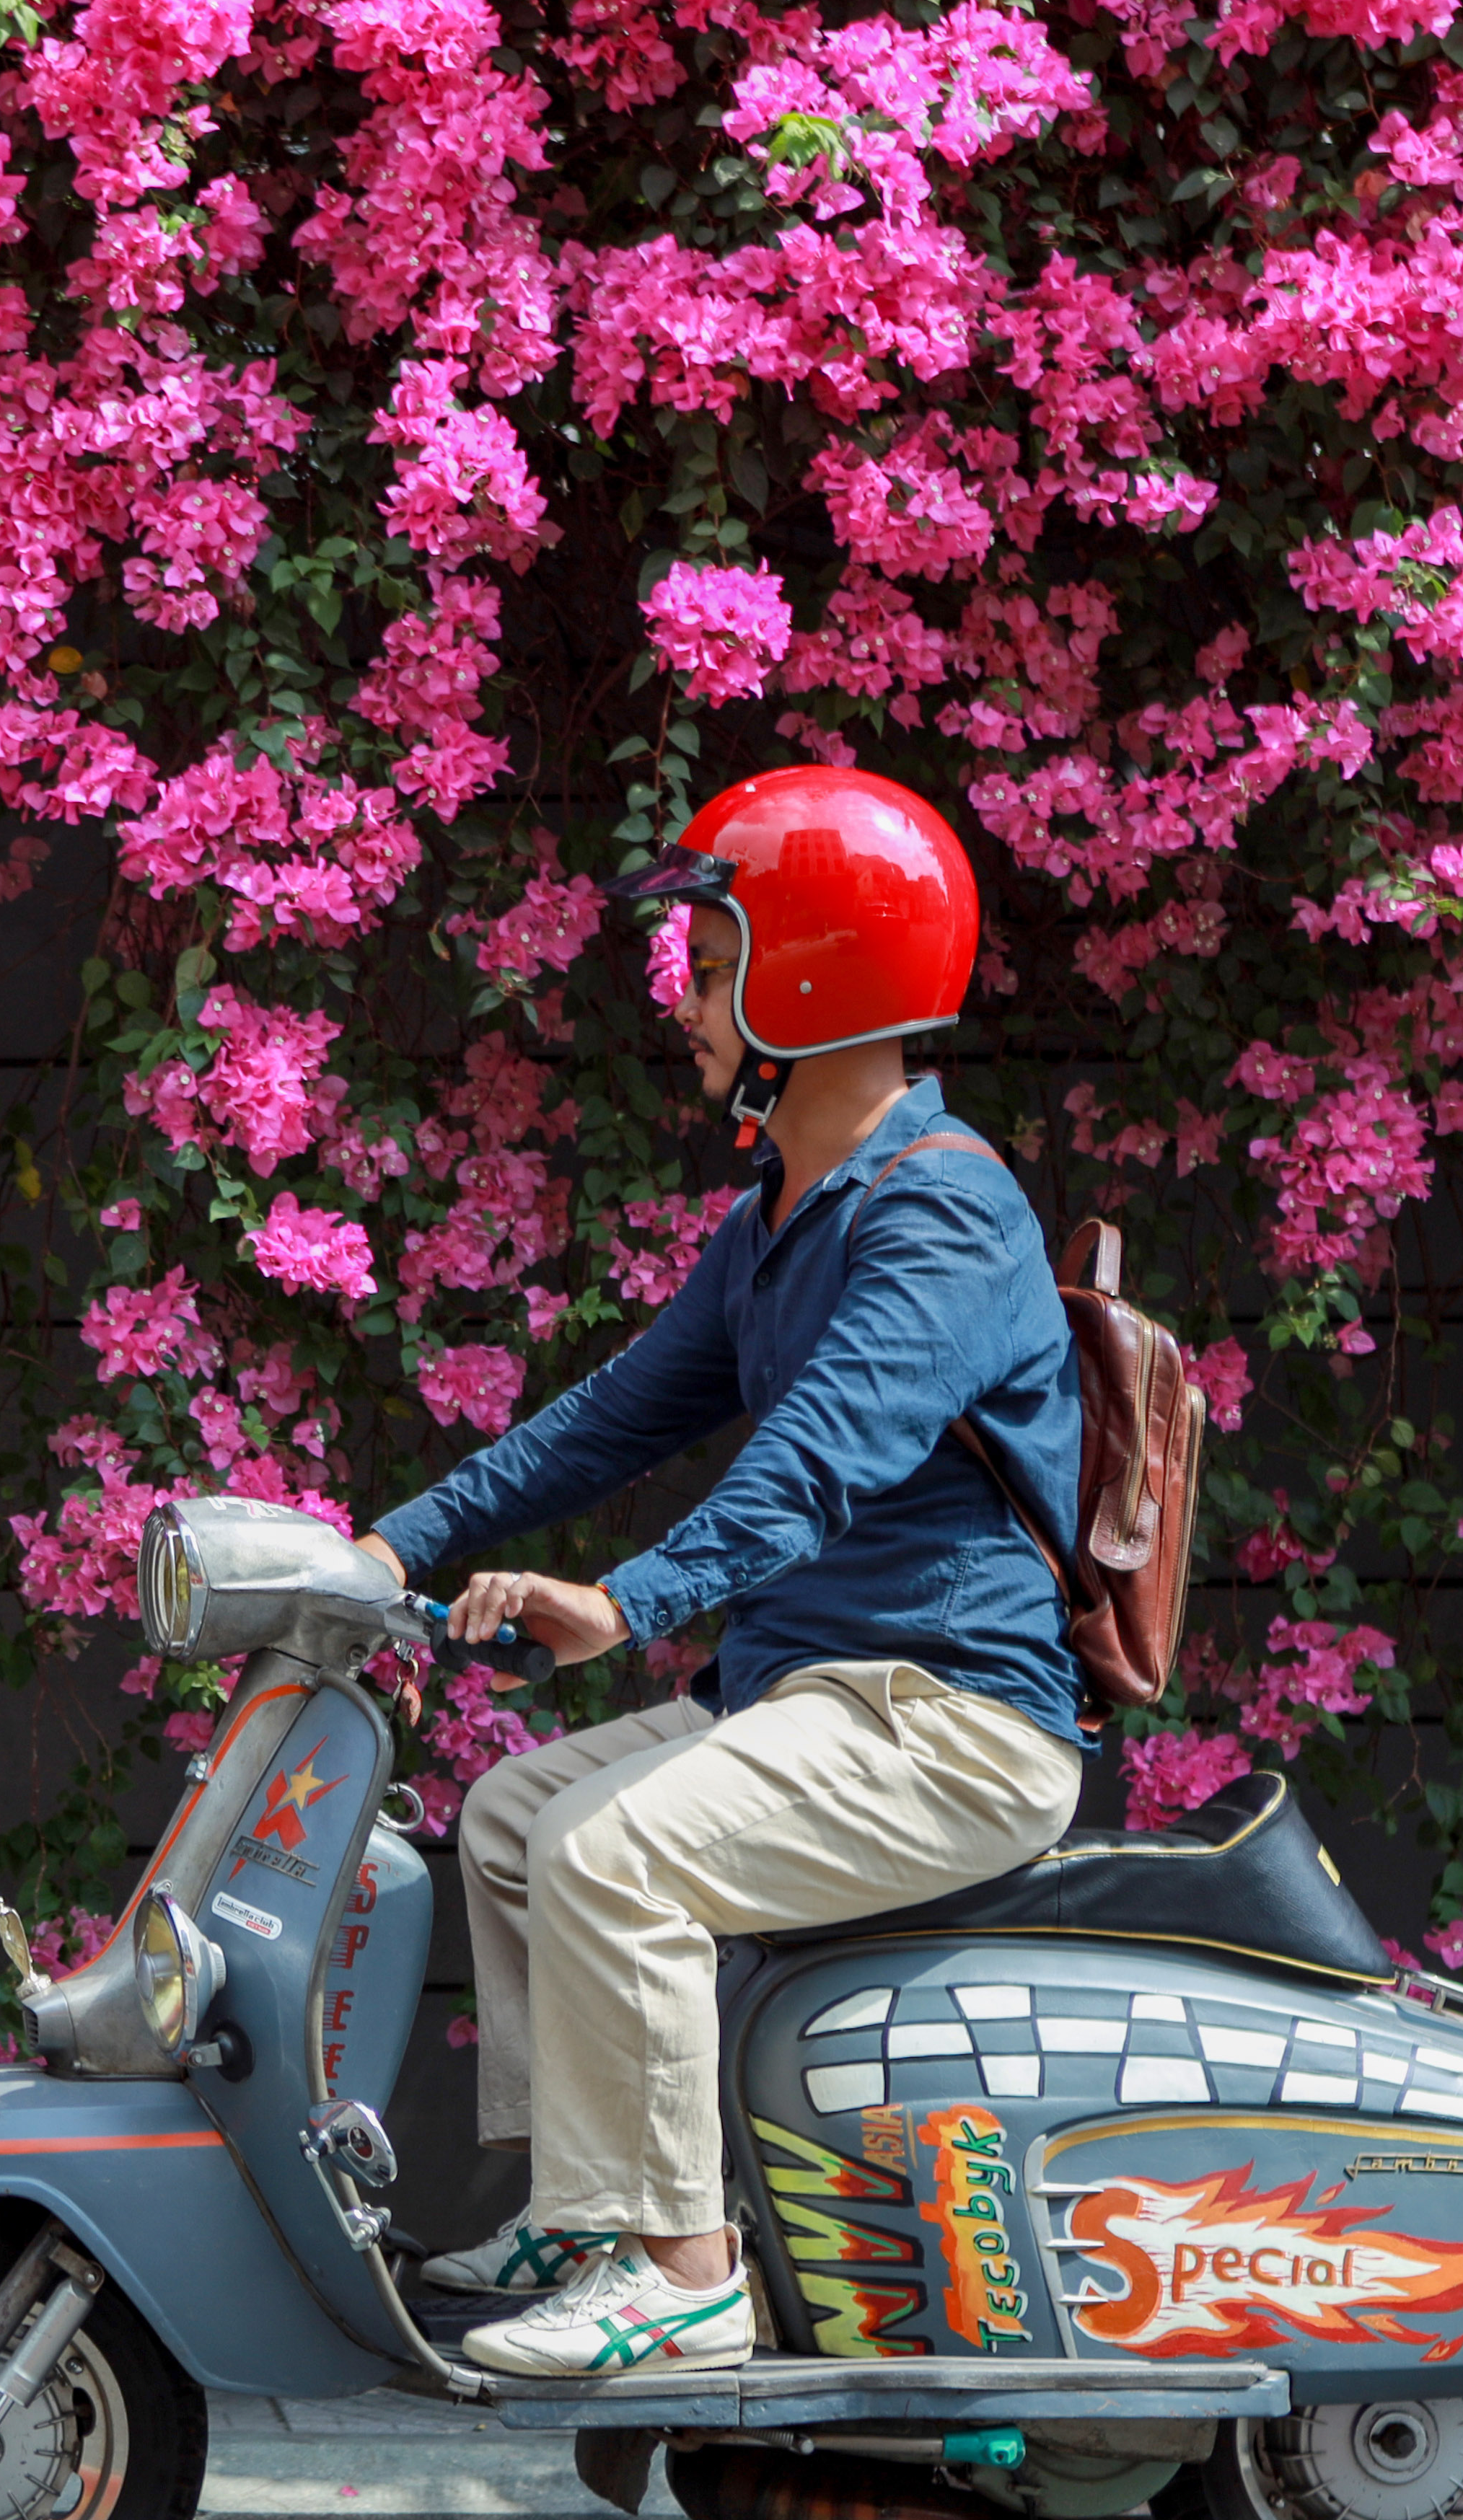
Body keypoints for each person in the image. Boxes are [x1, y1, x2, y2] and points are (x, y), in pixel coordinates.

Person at [356, 766, 1088, 2379]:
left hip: (949, 1718)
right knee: (513, 1817)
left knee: (615, 1854)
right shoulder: (778, 1213)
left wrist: (628, 1601)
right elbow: (612, 1415)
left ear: (809, 975)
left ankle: (682, 2269)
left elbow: (821, 1450)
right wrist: (390, 1542)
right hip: (819, 1697)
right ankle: (588, 2207)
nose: (681, 998)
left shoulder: (944, 1211)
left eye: (707, 959)